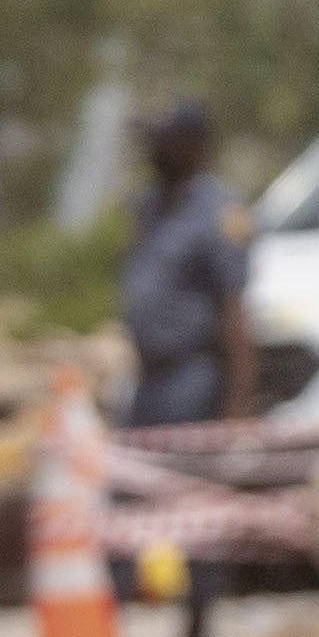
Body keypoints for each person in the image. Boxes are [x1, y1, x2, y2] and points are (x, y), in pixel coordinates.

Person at [114, 97, 254, 429]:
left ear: (193, 146)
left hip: (191, 380)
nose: (154, 149)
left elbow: (236, 312)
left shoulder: (221, 213)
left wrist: (239, 410)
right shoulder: (148, 208)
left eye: (165, 140)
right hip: (147, 379)